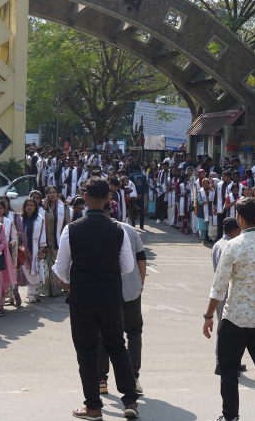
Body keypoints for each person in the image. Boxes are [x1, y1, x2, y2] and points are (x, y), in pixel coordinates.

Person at [53, 177, 139, 420]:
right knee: (117, 347)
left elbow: (61, 267)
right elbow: (127, 266)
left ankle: (93, 407)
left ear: (85, 197)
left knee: (87, 352)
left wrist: (66, 283)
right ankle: (130, 401)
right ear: (108, 199)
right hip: (111, 297)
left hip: (82, 299)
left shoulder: (72, 229)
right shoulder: (118, 229)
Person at [203, 197, 255, 421]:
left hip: (235, 320)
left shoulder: (232, 246)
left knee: (229, 371)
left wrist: (209, 315)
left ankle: (230, 416)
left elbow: (219, 287)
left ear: (240, 218)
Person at [95, 218, 147, 395]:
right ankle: (133, 377)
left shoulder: (94, 229)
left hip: (105, 291)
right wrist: (140, 281)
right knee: (133, 331)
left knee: (103, 333)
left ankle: (101, 379)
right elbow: (141, 257)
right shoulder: (130, 229)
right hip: (131, 289)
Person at [209, 218, 247, 373]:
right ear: (236, 231)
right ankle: (222, 363)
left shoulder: (219, 244)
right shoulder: (228, 246)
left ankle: (233, 361)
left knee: (232, 329)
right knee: (225, 329)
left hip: (223, 290)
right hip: (227, 291)